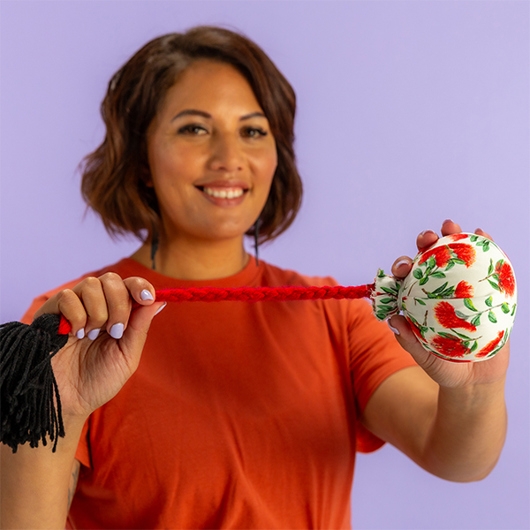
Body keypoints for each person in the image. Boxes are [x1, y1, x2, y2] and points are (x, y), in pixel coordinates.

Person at [0, 27, 509, 529]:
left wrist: (476, 383)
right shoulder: (78, 325)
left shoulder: (333, 313)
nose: (229, 159)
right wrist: (60, 414)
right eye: (194, 128)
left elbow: (456, 457)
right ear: (141, 159)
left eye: (252, 130)